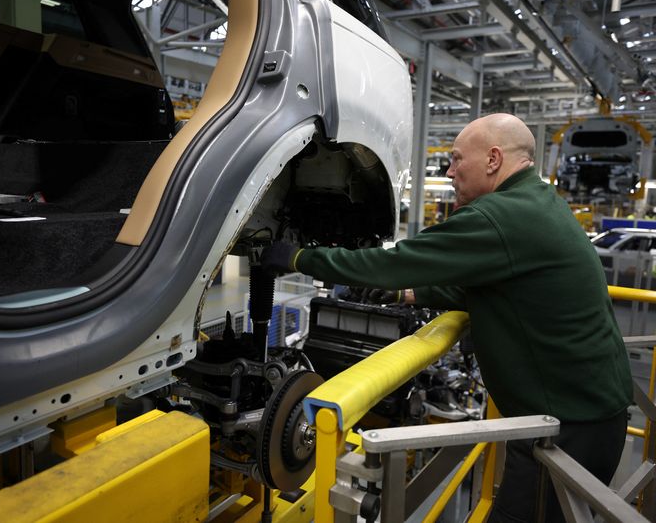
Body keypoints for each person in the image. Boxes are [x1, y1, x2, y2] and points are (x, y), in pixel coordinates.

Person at [262, 113, 633, 522]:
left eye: (456, 159)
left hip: (567, 426)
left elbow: (392, 263)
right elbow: (493, 286)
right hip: (591, 412)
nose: (450, 172)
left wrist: (299, 258)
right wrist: (408, 293)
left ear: (493, 159)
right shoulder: (536, 202)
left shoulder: (500, 216)